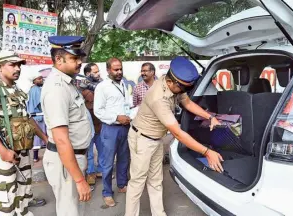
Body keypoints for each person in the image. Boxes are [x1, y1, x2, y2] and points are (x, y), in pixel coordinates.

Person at [125, 57, 224, 216]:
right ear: (171, 83)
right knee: (137, 182)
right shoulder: (159, 98)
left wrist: (209, 117)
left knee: (156, 181)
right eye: (184, 88)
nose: (185, 91)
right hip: (142, 139)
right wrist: (207, 152)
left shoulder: (173, 84)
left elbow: (188, 103)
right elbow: (178, 133)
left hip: (156, 139)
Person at [0, 50, 48, 215]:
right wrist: (3, 150)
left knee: (23, 187)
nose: (17, 68)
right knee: (6, 194)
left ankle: (23, 212)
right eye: (12, 64)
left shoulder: (15, 88)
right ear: (0, 67)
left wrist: (45, 138)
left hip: (21, 147)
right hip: (2, 151)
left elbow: (27, 119)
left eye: (19, 65)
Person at [41, 36, 92, 216]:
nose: (79, 62)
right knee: (68, 212)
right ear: (58, 59)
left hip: (73, 158)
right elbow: (61, 140)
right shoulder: (57, 88)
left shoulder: (67, 83)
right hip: (65, 161)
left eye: (80, 58)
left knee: (72, 210)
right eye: (74, 58)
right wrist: (79, 180)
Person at [94, 57, 130, 207]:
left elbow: (126, 105)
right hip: (110, 129)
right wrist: (116, 118)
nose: (119, 72)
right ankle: (107, 193)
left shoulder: (123, 84)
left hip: (125, 128)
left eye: (120, 69)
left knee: (124, 159)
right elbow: (98, 111)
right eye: (116, 69)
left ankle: (122, 185)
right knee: (108, 163)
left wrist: (129, 116)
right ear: (108, 70)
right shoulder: (102, 87)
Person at [79, 63, 103, 189]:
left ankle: (100, 171)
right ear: (88, 73)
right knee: (89, 153)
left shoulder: (101, 84)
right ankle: (90, 174)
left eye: (98, 71)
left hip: (99, 125)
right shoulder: (81, 88)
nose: (98, 73)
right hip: (87, 127)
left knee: (102, 150)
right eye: (95, 71)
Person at [27, 72, 47, 162]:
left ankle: (35, 157)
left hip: (35, 116)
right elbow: (39, 104)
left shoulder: (33, 89)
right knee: (40, 136)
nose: (41, 80)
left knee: (38, 137)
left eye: (41, 78)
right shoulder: (36, 89)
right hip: (38, 116)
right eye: (39, 79)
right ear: (34, 80)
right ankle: (36, 156)